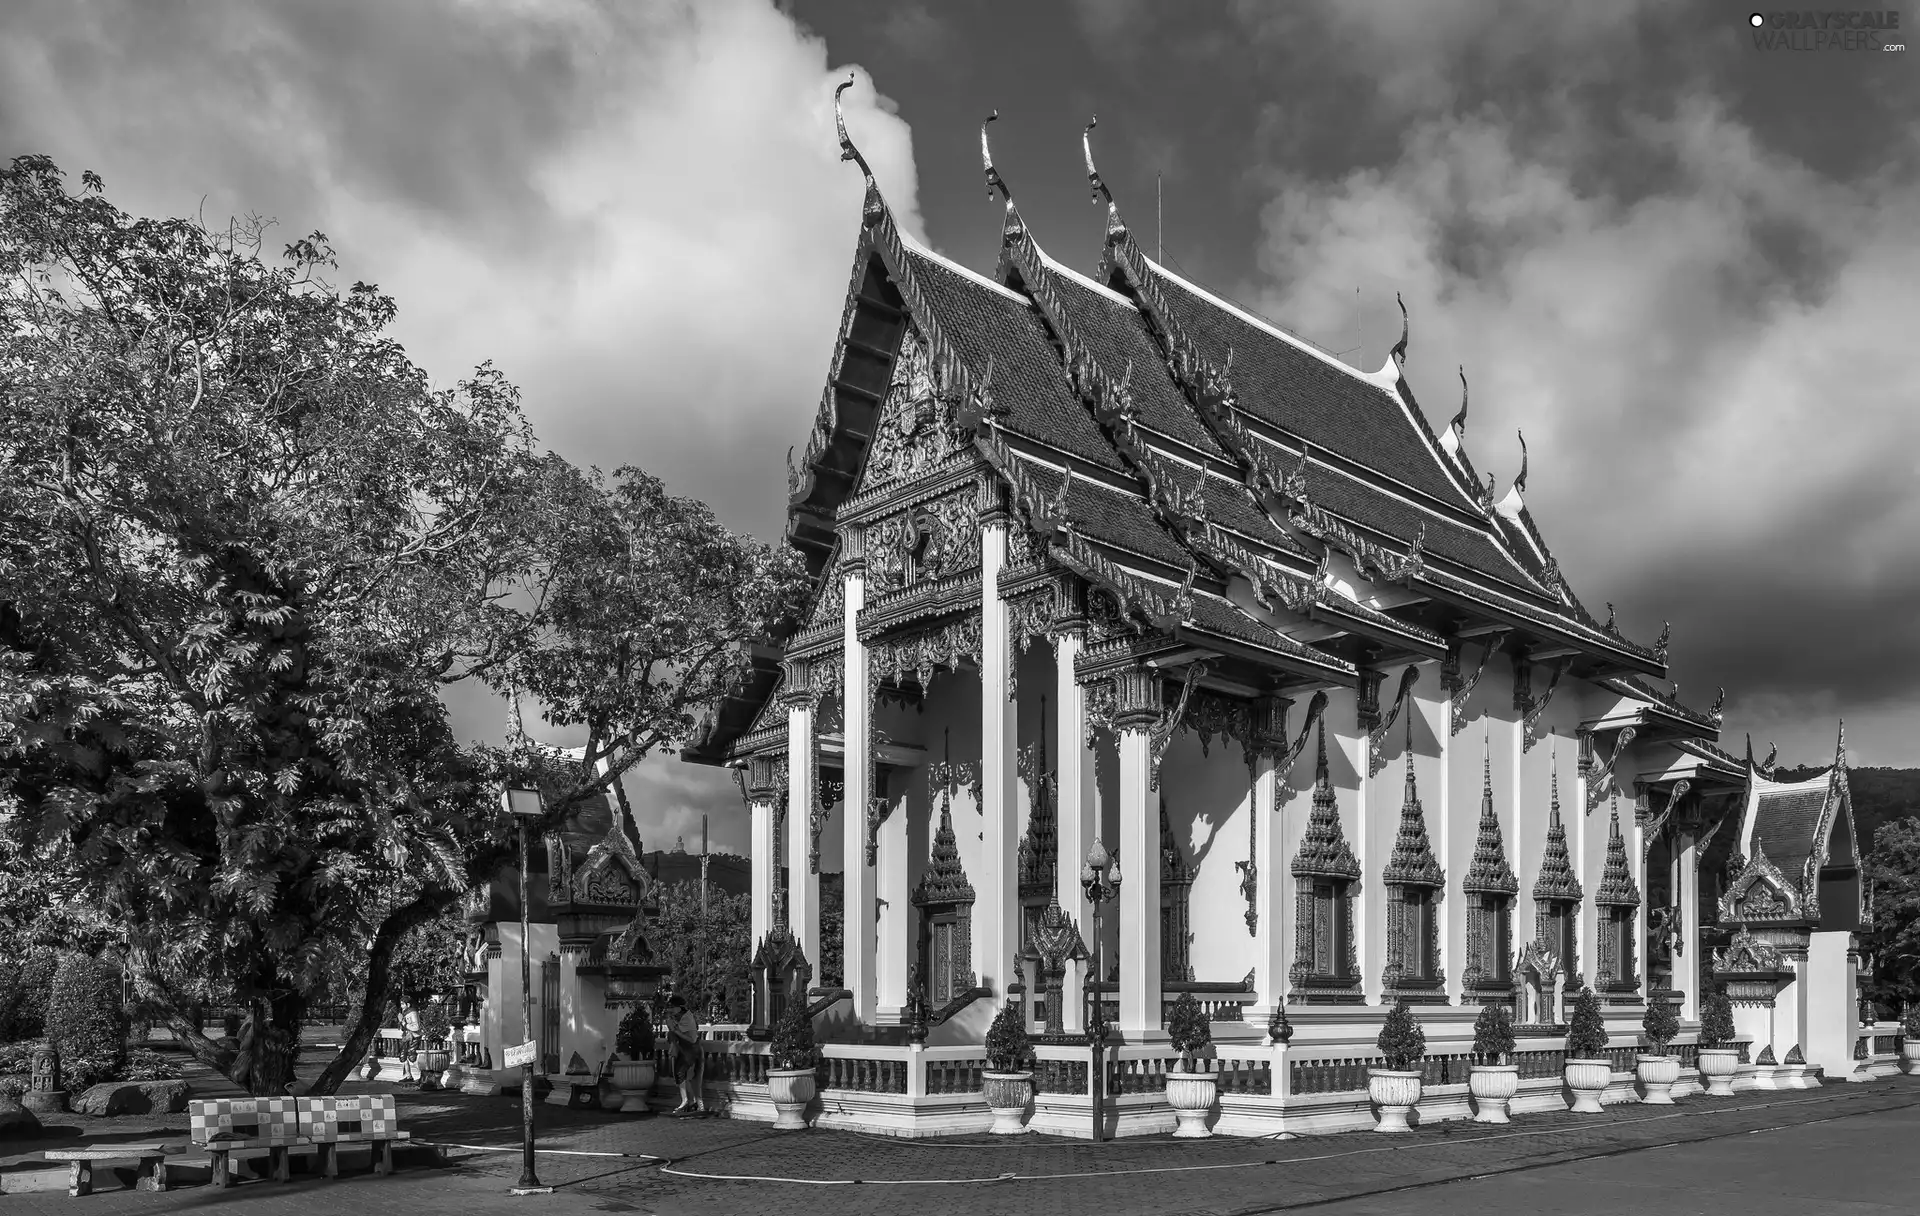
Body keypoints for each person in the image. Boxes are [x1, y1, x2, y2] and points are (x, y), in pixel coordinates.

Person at [666, 994, 704, 1115]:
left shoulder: (687, 1018)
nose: (670, 1010)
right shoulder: (678, 1018)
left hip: (691, 1050)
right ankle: (690, 1102)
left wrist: (674, 1030)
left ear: (679, 1007)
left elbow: (691, 1039)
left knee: (682, 1074)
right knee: (681, 1075)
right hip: (683, 1050)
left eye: (672, 1007)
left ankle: (687, 1101)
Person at [399, 998, 423, 1083]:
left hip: (414, 1037)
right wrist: (402, 1021)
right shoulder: (405, 1013)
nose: (401, 1006)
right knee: (403, 1055)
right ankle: (408, 1075)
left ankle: (423, 1074)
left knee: (411, 1056)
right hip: (407, 1037)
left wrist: (404, 1023)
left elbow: (416, 1027)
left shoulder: (413, 1013)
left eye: (403, 1004)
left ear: (408, 1004)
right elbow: (403, 1027)